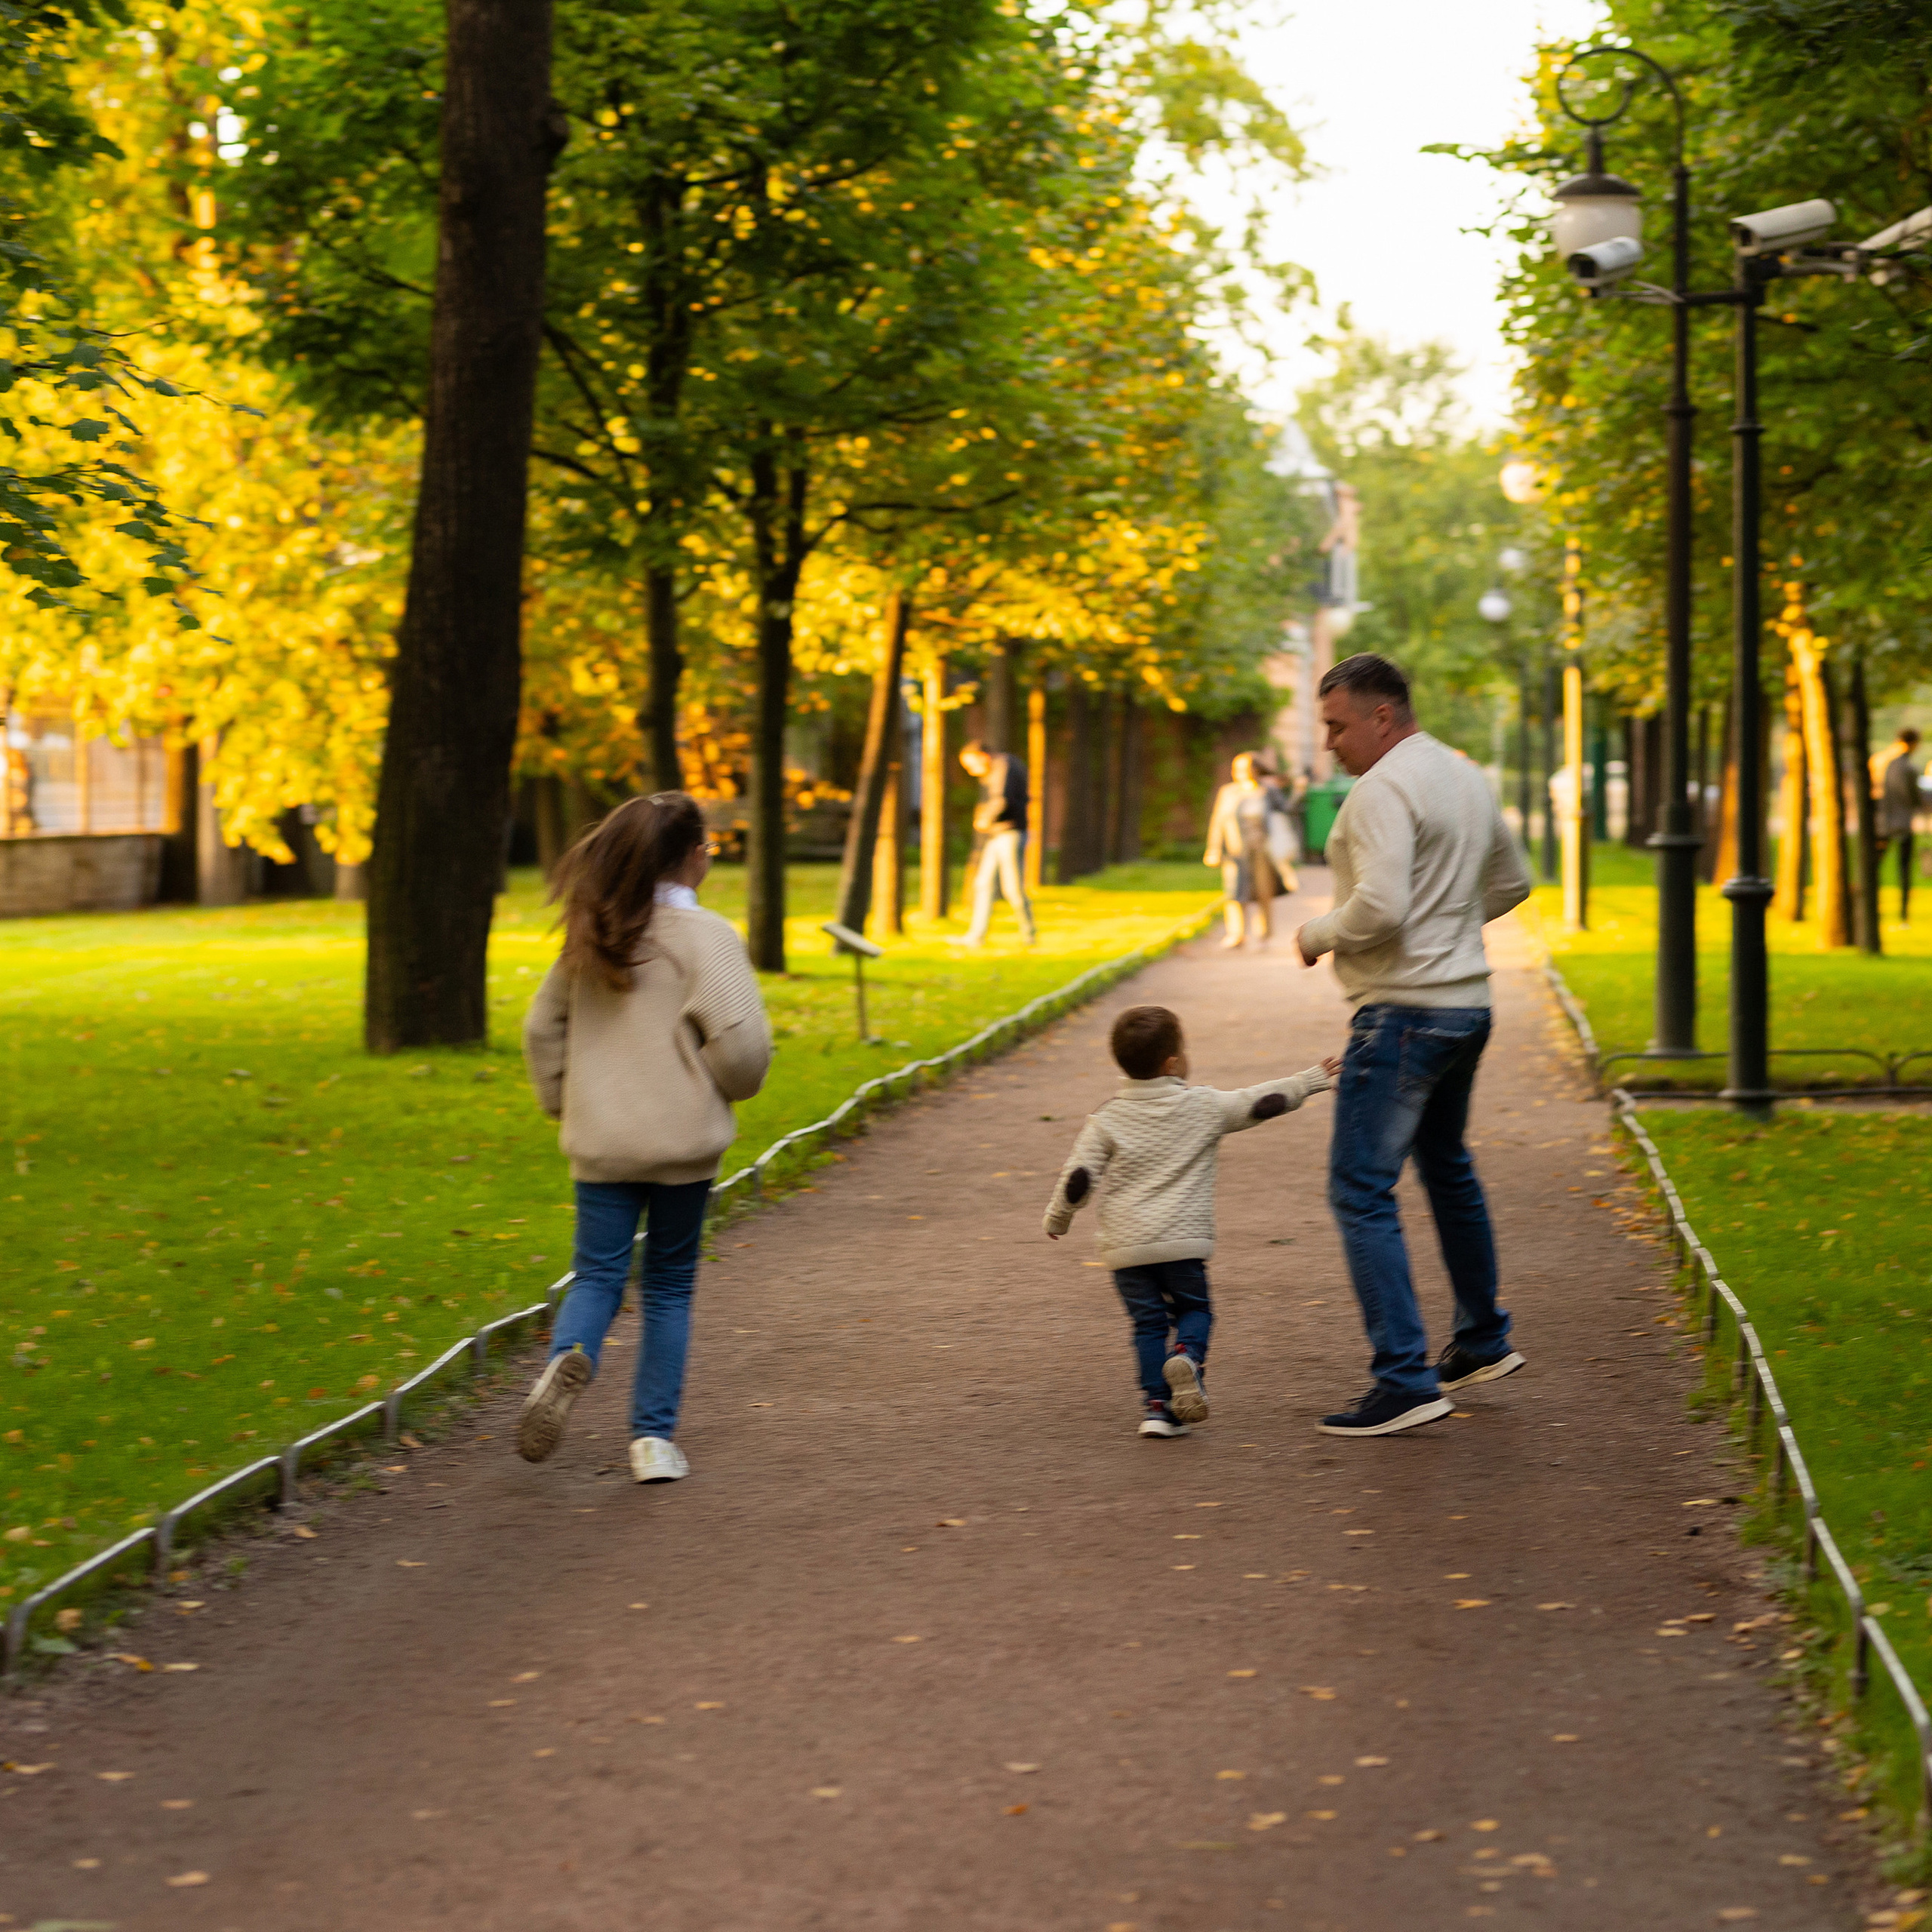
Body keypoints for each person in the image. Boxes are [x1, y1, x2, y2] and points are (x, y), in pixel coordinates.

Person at [1291, 653, 1533, 1439]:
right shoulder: (1461, 776)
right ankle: (1482, 1338)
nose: (1329, 742)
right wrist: (1449, 932)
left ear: (1382, 716)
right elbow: (1512, 880)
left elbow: (1381, 906)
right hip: (1467, 1004)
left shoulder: (1381, 789)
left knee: (1360, 1188)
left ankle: (1403, 1379)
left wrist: (1316, 935)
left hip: (1403, 1014)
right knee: (1447, 1166)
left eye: (1336, 724)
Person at [518, 792, 773, 1483]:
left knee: (598, 1272)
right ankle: (652, 1441)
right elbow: (742, 1047)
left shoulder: (596, 932)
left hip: (602, 1142)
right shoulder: (708, 939)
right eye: (710, 847)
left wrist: (564, 1101)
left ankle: (565, 1359)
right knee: (668, 1286)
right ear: (693, 857)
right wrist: (724, 1083)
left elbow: (542, 1028)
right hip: (682, 1147)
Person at [1043, 1004, 1336, 1438]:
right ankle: (1187, 1356)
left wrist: (1059, 1218)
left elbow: (1079, 1178)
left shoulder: (1106, 1119)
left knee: (1147, 1324)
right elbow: (1259, 1103)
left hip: (1127, 1248)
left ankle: (1157, 1409)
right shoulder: (1203, 1106)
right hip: (1182, 1243)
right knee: (1194, 1310)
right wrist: (1309, 1081)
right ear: (1173, 1062)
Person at [1204, 752, 1291, 949]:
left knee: (1263, 892)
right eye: (1236, 769)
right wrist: (1213, 849)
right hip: (1236, 851)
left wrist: (1297, 791)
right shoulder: (1228, 792)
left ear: (1256, 770)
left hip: (1263, 850)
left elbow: (1286, 811)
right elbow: (1218, 822)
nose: (1238, 773)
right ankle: (1237, 934)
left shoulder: (1268, 791)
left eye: (1243, 768)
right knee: (1235, 892)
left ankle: (1264, 935)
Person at [958, 739, 1036, 946]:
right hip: (998, 834)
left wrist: (986, 818)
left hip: (1010, 833)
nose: (971, 771)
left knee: (1013, 888)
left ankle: (1029, 935)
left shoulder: (1005, 766)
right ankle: (976, 936)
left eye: (971, 765)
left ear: (982, 756)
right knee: (983, 883)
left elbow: (1003, 799)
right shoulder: (998, 768)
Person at [1875, 727, 1922, 923]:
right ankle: (1903, 914)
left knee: (1875, 867)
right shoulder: (1908, 768)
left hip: (1882, 825)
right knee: (1903, 870)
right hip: (1902, 824)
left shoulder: (1882, 761)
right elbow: (1915, 798)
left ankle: (1874, 908)